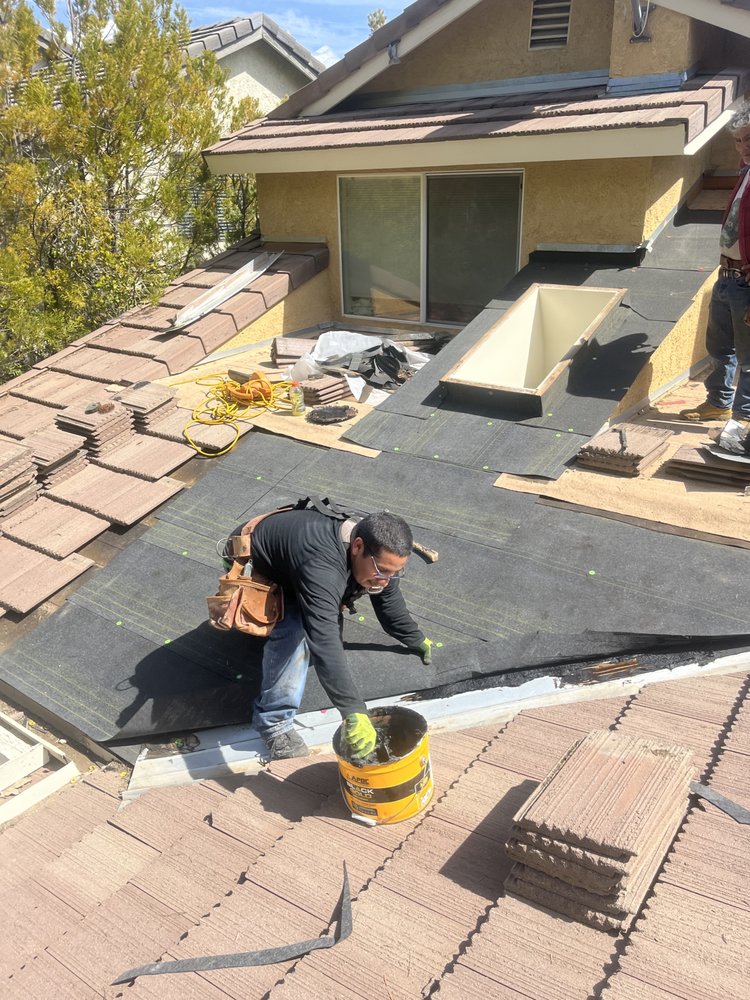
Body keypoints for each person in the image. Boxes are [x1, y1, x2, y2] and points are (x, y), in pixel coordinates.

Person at [230, 504, 433, 761]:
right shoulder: (322, 567)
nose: (385, 580)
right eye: (382, 571)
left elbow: (388, 602)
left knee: (327, 605)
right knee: (297, 628)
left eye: (395, 572)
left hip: (296, 560)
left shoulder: (379, 556)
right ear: (357, 546)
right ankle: (274, 725)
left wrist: (415, 638)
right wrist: (353, 710)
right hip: (252, 561)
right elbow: (323, 638)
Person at [680, 107, 750, 444]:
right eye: (738, 140)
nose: (743, 146)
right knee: (720, 347)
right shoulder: (744, 172)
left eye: (749, 138)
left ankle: (743, 418)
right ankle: (719, 404)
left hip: (747, 283)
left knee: (749, 356)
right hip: (726, 276)